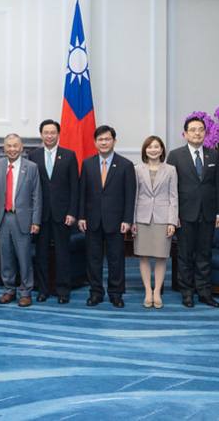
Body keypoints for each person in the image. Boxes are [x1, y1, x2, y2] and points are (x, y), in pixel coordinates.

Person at [166, 116, 219, 308]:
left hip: (208, 214)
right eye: (193, 129)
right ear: (185, 134)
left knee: (205, 254)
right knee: (185, 255)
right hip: (184, 214)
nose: (197, 133)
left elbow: (217, 186)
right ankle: (187, 293)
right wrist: (173, 216)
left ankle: (205, 293)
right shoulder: (175, 156)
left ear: (205, 133)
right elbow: (170, 188)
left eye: (200, 129)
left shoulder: (213, 155)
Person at [78, 125, 135, 308]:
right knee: (93, 259)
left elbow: (130, 195)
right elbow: (82, 193)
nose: (104, 142)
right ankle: (95, 293)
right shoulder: (87, 164)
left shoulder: (126, 165)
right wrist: (81, 216)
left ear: (114, 141)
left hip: (116, 222)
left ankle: (116, 294)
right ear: (95, 142)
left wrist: (127, 219)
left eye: (107, 139)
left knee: (116, 259)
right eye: (100, 139)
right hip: (92, 220)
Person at [28, 119, 78, 304]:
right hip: (40, 215)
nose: (49, 136)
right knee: (40, 254)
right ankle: (43, 290)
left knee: (63, 253)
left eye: (53, 132)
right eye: (46, 132)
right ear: (41, 135)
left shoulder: (69, 155)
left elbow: (75, 187)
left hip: (62, 214)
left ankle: (63, 290)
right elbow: (30, 188)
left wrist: (72, 212)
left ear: (58, 134)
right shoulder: (33, 155)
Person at [0, 133, 41, 307]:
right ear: (4, 148)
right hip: (3, 218)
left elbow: (37, 196)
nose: (12, 149)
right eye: (9, 146)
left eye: (15, 146)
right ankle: (9, 289)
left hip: (24, 220)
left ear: (21, 148)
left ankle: (25, 292)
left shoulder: (31, 167)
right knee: (6, 257)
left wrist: (36, 221)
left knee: (24, 258)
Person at [132, 136, 178, 310]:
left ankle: (157, 291)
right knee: (143, 255)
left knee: (161, 256)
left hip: (163, 218)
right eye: (149, 147)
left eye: (156, 146)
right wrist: (132, 220)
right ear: (145, 150)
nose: (153, 149)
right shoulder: (137, 169)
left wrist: (172, 221)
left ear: (161, 150)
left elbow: (174, 197)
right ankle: (147, 291)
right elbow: (133, 195)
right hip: (142, 217)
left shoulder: (171, 170)